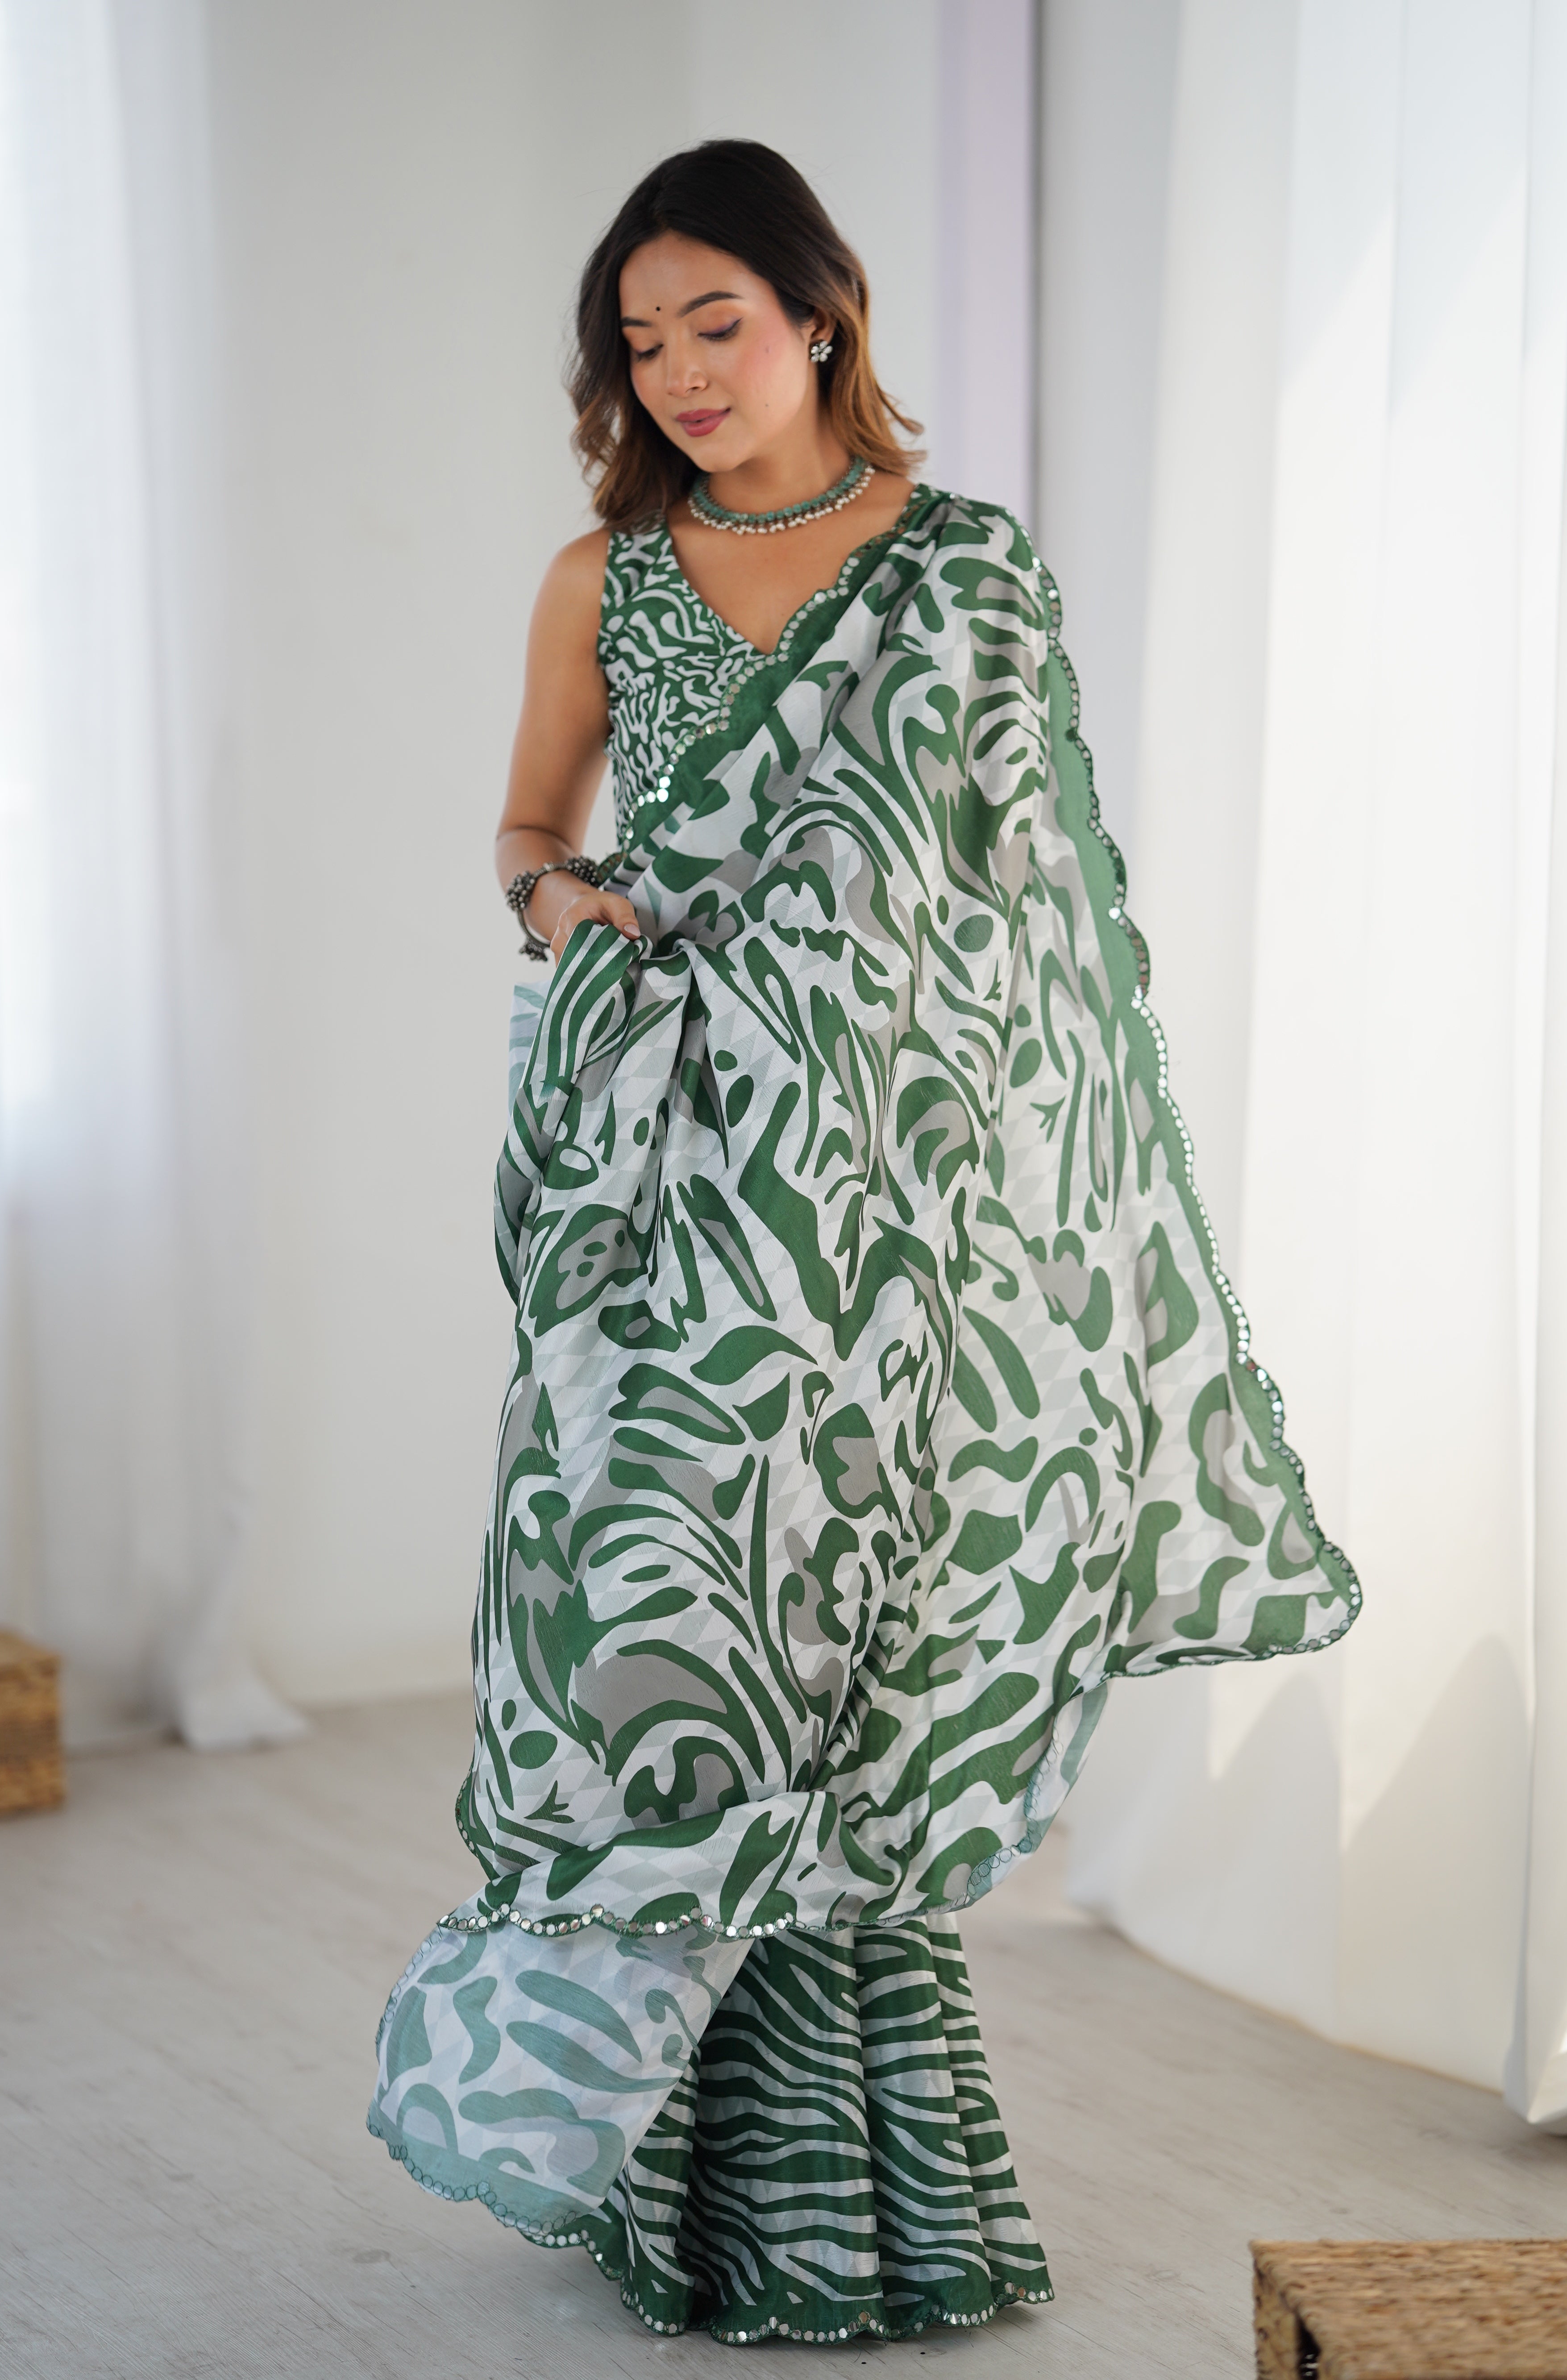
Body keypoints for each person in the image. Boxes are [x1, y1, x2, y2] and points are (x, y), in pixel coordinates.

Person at [368, 140, 1359, 2348]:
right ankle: (657, 2172)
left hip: (891, 1220)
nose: (683, 371)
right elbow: (529, 826)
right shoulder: (600, 579)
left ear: (823, 310)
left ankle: (856, 2203)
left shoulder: (970, 573)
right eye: (641, 340)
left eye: (716, 318)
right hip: (657, 1197)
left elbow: (1036, 922)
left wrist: (1030, 1243)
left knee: (841, 1669)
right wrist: (566, 903)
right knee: (656, 1640)